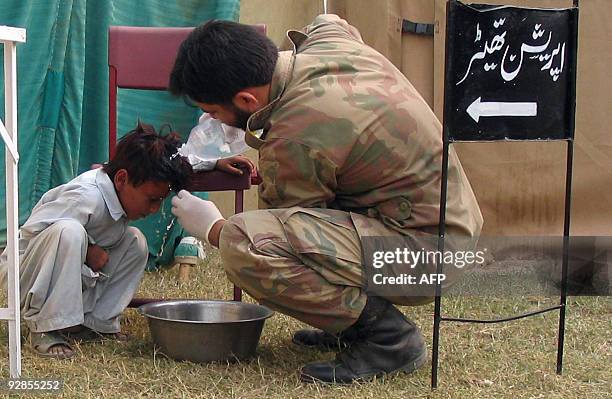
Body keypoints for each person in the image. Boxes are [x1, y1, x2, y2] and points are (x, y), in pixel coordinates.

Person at [168, 15, 483, 384]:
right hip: (448, 221)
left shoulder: (295, 136)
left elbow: (281, 233)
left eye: (215, 112)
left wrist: (213, 228)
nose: (214, 121)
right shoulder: (327, 46)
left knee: (244, 243)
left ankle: (388, 339)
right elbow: (330, 20)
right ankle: (346, 324)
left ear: (246, 99)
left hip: (426, 255)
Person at [0, 122, 191, 359]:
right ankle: (45, 327)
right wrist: (88, 249)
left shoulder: (118, 189)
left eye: (160, 201)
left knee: (136, 242)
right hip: (25, 275)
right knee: (69, 231)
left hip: (74, 268)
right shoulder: (86, 195)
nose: (154, 209)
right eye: (151, 199)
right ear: (122, 179)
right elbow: (34, 234)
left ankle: (95, 324)